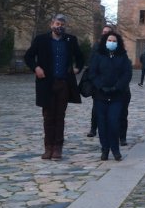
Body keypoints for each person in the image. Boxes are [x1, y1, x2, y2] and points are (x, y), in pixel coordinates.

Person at [25, 14, 85, 160]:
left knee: (60, 116)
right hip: (46, 83)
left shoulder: (70, 40)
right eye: (57, 23)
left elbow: (80, 57)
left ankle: (58, 148)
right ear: (52, 24)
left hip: (63, 83)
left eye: (62, 24)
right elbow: (28, 56)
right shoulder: (41, 40)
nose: (60, 27)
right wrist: (36, 68)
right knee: (48, 116)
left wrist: (77, 68)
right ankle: (48, 147)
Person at [88, 32, 132, 161]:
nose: (111, 42)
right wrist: (100, 86)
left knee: (113, 122)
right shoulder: (98, 55)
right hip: (100, 95)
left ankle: (115, 149)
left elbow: (126, 74)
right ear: (105, 41)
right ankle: (105, 149)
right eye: (109, 40)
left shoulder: (122, 56)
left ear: (118, 43)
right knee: (102, 124)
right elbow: (92, 73)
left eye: (114, 41)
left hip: (117, 96)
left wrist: (116, 87)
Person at [87, 25, 115, 138]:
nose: (105, 34)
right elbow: (91, 63)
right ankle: (93, 128)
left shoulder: (116, 47)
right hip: (99, 82)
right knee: (96, 107)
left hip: (112, 82)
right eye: (104, 32)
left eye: (108, 32)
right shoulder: (97, 46)